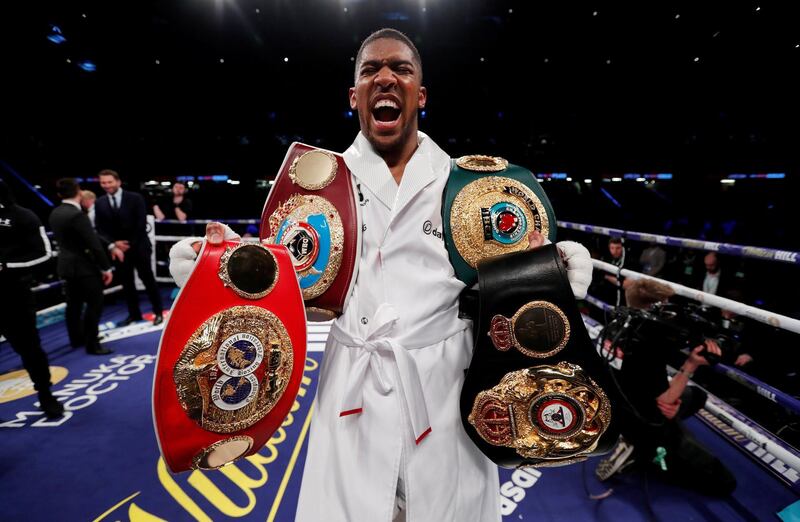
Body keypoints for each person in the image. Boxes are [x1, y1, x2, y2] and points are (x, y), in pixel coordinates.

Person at [169, 28, 593, 521]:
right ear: (354, 96)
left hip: (445, 388)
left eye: (401, 69)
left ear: (421, 94)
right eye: (370, 70)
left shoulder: (474, 187)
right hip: (354, 383)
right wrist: (213, 265)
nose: (385, 77)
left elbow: (510, 286)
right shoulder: (316, 188)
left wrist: (554, 269)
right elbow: (284, 276)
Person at [595, 278, 736, 496]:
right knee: (725, 483)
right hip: (648, 424)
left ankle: (636, 440)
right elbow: (666, 402)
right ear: (656, 307)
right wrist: (690, 365)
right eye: (666, 306)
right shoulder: (645, 346)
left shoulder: (616, 326)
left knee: (697, 396)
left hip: (621, 411)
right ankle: (644, 449)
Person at [0, 179, 64, 418]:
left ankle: (45, 394)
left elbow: (44, 254)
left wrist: (6, 266)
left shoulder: (23, 216)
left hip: (13, 295)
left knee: (29, 349)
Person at [49, 178, 118, 355]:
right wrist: (106, 268)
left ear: (59, 195)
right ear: (79, 192)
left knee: (73, 305)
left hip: (65, 266)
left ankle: (76, 339)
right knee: (95, 304)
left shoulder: (55, 212)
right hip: (83, 268)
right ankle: (92, 343)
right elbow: (93, 243)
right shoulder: (77, 214)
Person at [95, 169, 164, 326]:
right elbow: (100, 229)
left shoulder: (135, 198)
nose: (106, 185)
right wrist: (114, 244)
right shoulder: (100, 202)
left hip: (139, 246)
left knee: (148, 280)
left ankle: (158, 311)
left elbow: (141, 224)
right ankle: (134, 314)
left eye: (109, 182)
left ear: (118, 182)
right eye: (103, 182)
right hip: (118, 251)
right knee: (127, 284)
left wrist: (128, 245)